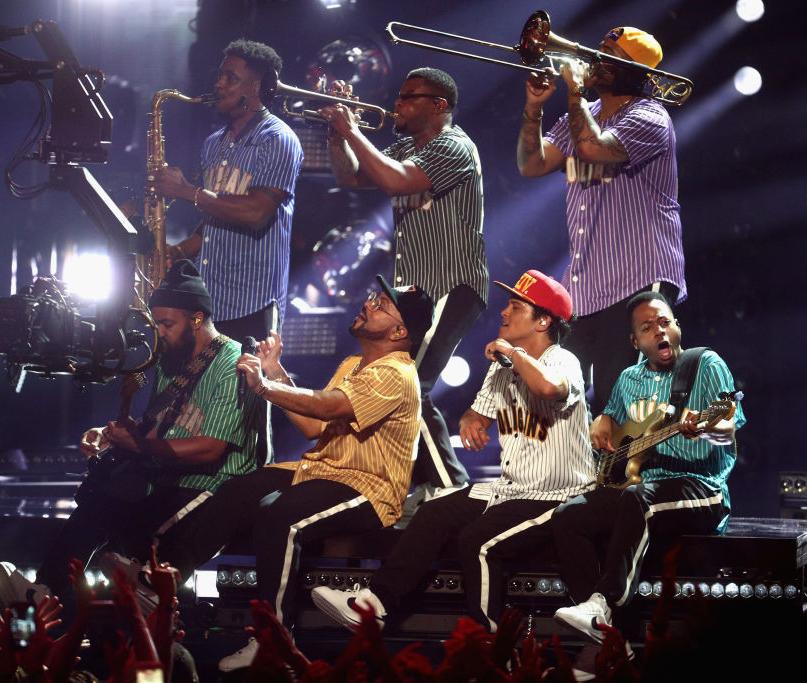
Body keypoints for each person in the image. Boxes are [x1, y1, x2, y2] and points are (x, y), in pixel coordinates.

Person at [139, 275, 433, 672]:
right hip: (323, 468)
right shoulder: (354, 364)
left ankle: (273, 640)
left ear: (400, 331)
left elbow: (329, 407)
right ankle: (170, 578)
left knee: (282, 519)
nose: (369, 304)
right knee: (241, 488)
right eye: (374, 297)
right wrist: (275, 373)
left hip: (368, 486)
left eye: (382, 305)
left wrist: (263, 387)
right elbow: (314, 427)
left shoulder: (396, 373)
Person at [311, 270, 594, 632]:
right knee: (434, 512)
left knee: (475, 541)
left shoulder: (562, 360)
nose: (504, 313)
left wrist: (511, 352)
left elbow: (548, 388)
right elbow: (476, 415)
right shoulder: (502, 366)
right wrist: (471, 421)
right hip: (512, 489)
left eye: (515, 306)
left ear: (543, 321)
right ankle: (373, 606)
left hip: (559, 496)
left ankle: (491, 641)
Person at [0, 260, 265, 615]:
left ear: (197, 319)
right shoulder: (172, 361)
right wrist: (115, 435)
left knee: (134, 531)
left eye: (167, 324)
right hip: (169, 472)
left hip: (212, 482)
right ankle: (47, 589)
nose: (160, 333)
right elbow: (160, 426)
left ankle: (150, 591)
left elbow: (211, 448)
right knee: (100, 500)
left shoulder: (232, 362)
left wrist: (139, 445)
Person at [321, 67, 489, 498]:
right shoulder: (406, 146)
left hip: (452, 282)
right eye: (398, 96)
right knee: (398, 388)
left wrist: (353, 129)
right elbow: (351, 176)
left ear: (439, 107)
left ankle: (453, 489)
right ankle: (415, 483)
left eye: (408, 97)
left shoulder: (453, 145)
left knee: (412, 386)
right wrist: (340, 136)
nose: (396, 104)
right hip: (416, 291)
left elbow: (396, 181)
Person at [548, 291, 745, 644]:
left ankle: (602, 604)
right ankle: (607, 641)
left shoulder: (706, 364)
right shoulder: (628, 379)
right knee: (568, 516)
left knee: (640, 499)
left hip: (701, 488)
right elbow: (615, 432)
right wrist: (603, 420)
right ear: (634, 340)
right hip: (639, 490)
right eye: (648, 327)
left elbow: (729, 426)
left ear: (677, 327)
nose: (659, 331)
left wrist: (708, 425)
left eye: (665, 322)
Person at [517, 27, 685, 411]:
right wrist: (534, 108)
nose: (596, 58)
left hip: (637, 277)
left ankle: (634, 473)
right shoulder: (584, 114)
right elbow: (531, 164)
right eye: (600, 49)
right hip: (586, 287)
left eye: (610, 54)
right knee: (569, 402)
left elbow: (593, 149)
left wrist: (574, 91)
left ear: (634, 71)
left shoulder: (650, 116)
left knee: (624, 399)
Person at [151, 38, 303, 345]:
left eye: (230, 78)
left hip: (253, 304)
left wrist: (187, 191)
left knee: (243, 393)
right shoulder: (213, 143)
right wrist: (179, 251)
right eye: (220, 76)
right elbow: (216, 216)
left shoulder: (278, 139)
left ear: (258, 88)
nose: (219, 84)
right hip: (208, 301)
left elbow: (256, 212)